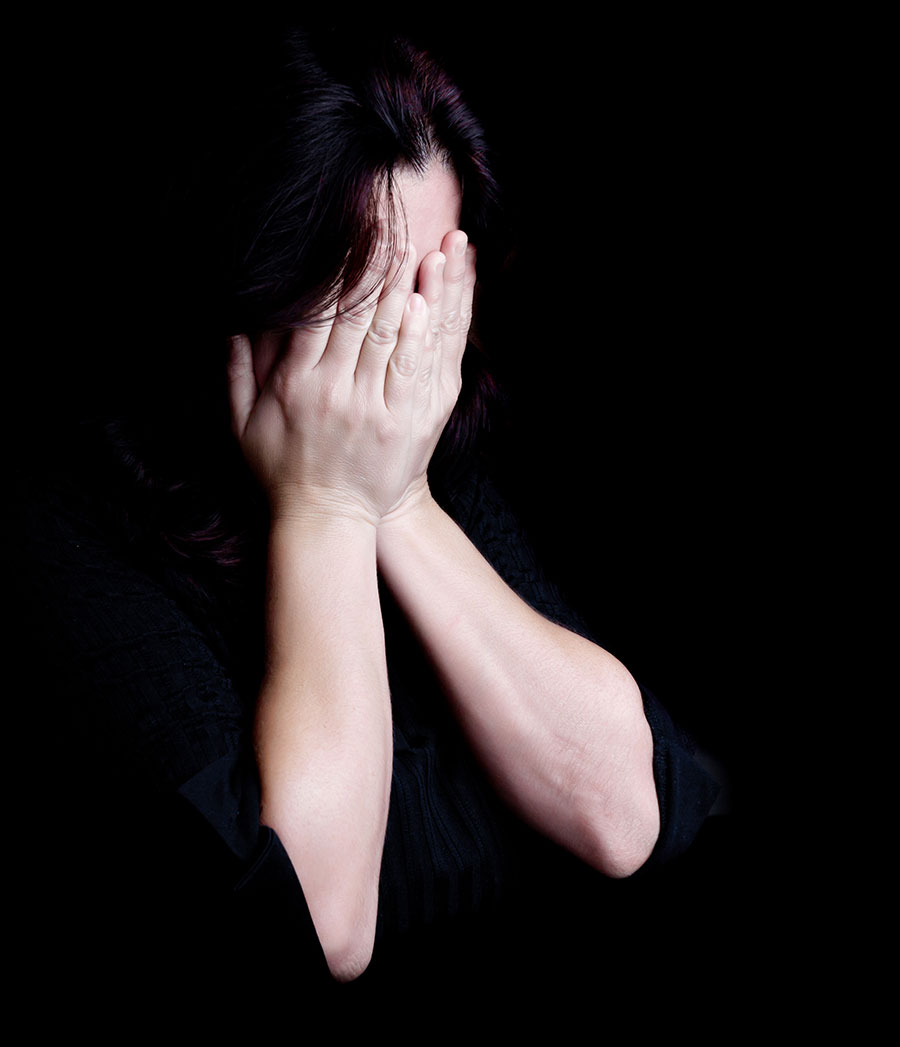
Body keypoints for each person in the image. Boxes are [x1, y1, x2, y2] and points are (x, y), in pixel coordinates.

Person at [13, 23, 722, 1009]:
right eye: (364, 309)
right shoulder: (67, 537)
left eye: (432, 293)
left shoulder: (435, 451)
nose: (407, 348)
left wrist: (395, 499)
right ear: (250, 286)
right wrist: (327, 505)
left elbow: (625, 813)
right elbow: (313, 925)